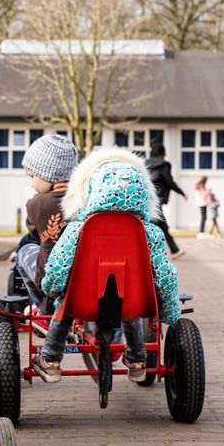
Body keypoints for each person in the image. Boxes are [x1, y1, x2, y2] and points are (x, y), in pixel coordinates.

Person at [33, 147, 182, 383]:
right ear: (143, 192)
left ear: (92, 191)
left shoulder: (78, 228)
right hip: (131, 301)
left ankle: (50, 360)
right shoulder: (150, 232)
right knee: (131, 308)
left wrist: (52, 290)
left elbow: (58, 265)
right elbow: (165, 274)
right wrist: (169, 311)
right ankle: (137, 361)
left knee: (65, 307)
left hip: (81, 301)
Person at [11, 134, 80, 295]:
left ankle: (42, 307)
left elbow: (34, 235)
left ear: (47, 173)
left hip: (51, 283)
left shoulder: (36, 204)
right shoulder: (87, 200)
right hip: (84, 280)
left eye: (32, 176)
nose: (31, 183)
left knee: (25, 251)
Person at [145, 144, 187, 259]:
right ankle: (172, 250)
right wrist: (181, 192)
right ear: (162, 153)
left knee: (158, 226)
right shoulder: (164, 165)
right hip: (157, 201)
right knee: (160, 226)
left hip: (146, 199)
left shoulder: (145, 164)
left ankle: (174, 250)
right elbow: (169, 182)